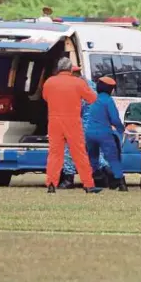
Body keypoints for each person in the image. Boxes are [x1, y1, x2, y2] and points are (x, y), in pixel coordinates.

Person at [42, 57, 102, 194]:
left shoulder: (49, 82)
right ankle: (88, 184)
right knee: (79, 153)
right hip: (73, 121)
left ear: (58, 68)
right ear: (70, 69)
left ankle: (51, 183)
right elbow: (92, 98)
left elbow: (45, 97)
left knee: (55, 154)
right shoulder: (78, 82)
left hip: (54, 122)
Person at [58, 67, 111, 189]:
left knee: (69, 150)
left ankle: (68, 179)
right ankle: (109, 175)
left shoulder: (75, 86)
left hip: (81, 124)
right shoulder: (91, 84)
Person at [85, 77, 128, 191]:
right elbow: (114, 119)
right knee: (113, 158)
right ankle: (121, 182)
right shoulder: (108, 100)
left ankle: (96, 179)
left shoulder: (92, 98)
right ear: (110, 89)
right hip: (104, 133)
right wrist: (121, 129)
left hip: (89, 132)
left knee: (93, 158)